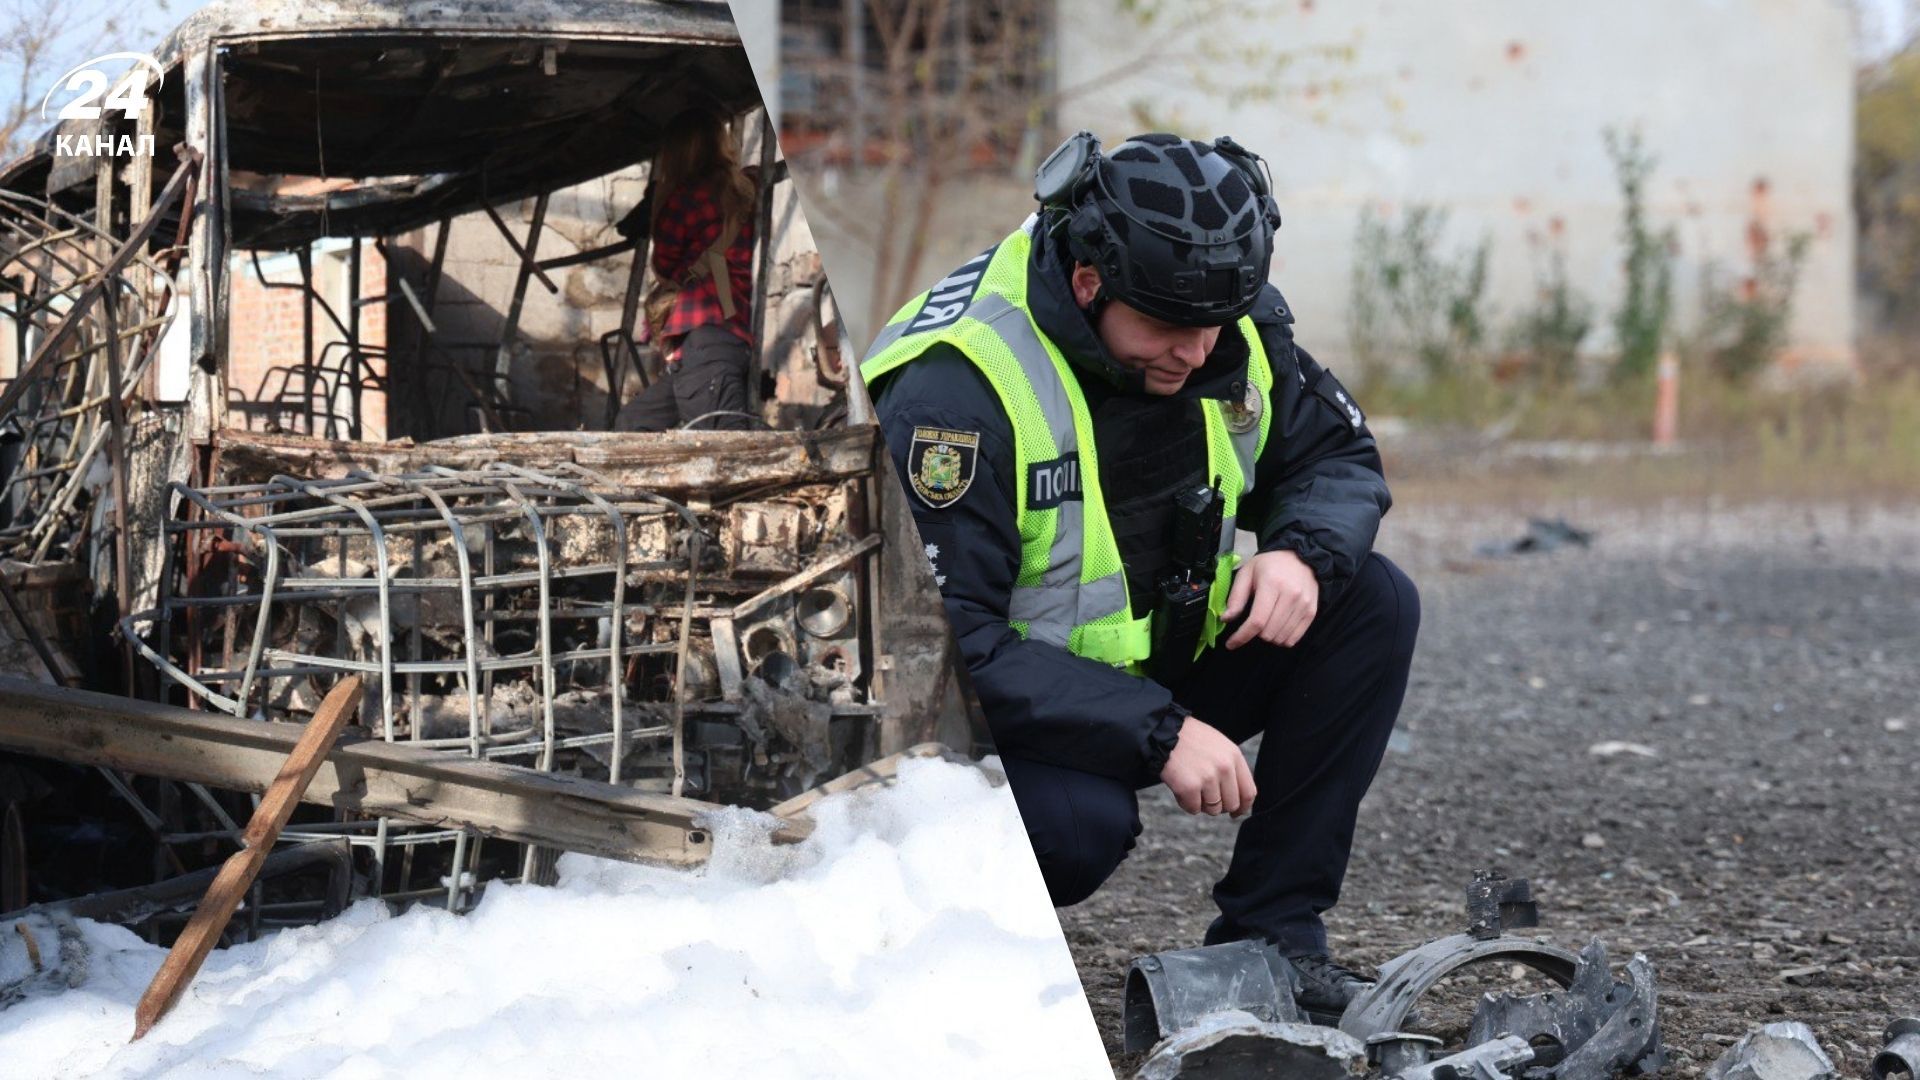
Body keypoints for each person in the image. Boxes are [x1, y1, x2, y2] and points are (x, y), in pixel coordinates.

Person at [858, 131, 1419, 1023]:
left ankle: (1272, 938)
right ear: (1089, 284)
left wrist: (1298, 552)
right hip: (992, 719)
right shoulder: (956, 394)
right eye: (1166, 330)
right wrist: (1160, 731)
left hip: (1156, 659)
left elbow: (1339, 454)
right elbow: (943, 654)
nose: (1195, 354)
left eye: (1212, 329)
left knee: (1372, 601)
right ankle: (912, 955)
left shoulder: (1219, 315)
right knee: (1079, 833)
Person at [615, 108, 758, 432]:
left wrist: (660, 202)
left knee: (720, 449)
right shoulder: (744, 189)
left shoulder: (684, 198)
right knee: (633, 423)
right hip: (717, 338)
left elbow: (664, 263)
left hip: (706, 335)